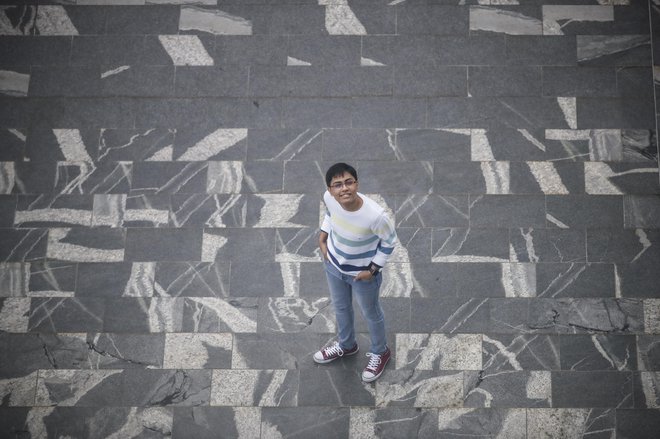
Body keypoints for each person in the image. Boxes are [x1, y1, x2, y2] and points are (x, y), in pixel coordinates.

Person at [313, 162, 397, 382]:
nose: (344, 188)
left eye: (349, 182)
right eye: (337, 185)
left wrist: (372, 270)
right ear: (330, 190)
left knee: (371, 314)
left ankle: (381, 352)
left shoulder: (376, 216)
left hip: (362, 276)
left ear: (357, 183)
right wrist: (323, 237)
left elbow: (389, 242)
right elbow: (330, 215)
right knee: (341, 308)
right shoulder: (329, 199)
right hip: (333, 266)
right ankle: (347, 345)